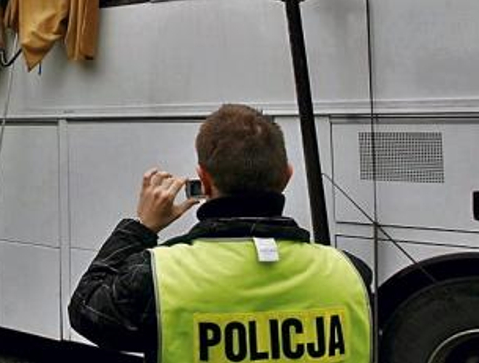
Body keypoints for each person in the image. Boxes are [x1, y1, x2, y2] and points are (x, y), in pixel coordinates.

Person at [69, 104, 372, 362]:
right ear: (286, 176)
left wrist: (141, 227)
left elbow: (85, 310)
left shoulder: (158, 277)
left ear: (204, 179)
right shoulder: (351, 274)